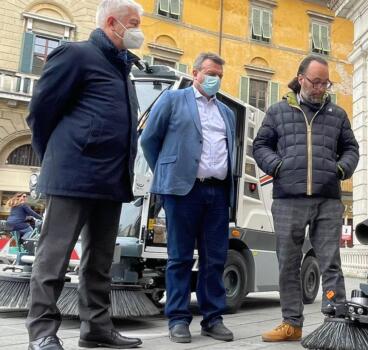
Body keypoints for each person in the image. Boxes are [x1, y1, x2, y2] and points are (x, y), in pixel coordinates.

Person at [25, 0, 144, 349]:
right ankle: (42, 333)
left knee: (101, 261)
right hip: (73, 174)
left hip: (110, 178)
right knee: (54, 258)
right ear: (112, 22)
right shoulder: (75, 55)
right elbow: (41, 112)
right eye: (134, 23)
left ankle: (96, 329)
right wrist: (57, 159)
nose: (138, 30)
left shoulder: (123, 68)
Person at [253, 55, 359, 342]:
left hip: (328, 199)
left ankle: (336, 321)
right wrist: (277, 166)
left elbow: (351, 149)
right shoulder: (277, 112)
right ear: (300, 78)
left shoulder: (337, 115)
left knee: (330, 261)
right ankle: (291, 323)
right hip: (288, 198)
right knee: (288, 261)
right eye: (315, 82)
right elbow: (260, 145)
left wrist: (340, 169)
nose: (320, 88)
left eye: (325, 83)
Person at [140, 52, 236, 344]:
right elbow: (148, 139)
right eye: (209, 73)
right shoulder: (173, 100)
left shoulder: (227, 112)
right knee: (179, 258)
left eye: (219, 74)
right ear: (195, 72)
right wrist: (168, 173)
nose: (214, 79)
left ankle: (212, 319)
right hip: (183, 191)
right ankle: (178, 319)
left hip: (218, 192)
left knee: (215, 259)